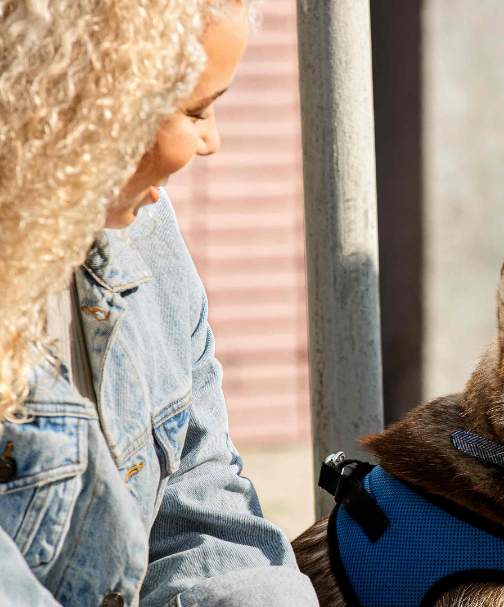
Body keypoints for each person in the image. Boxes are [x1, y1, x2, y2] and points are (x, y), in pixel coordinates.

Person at [0, 1, 318, 604]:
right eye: (196, 109)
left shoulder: (144, 230)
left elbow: (198, 504)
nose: (211, 141)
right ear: (85, 99)